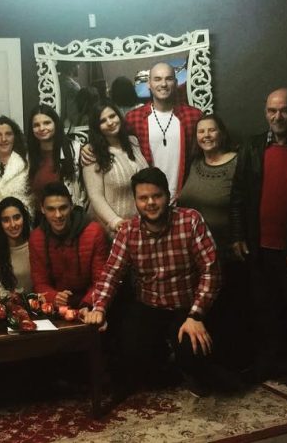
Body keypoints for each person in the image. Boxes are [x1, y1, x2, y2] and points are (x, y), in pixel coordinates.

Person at [84, 167, 221, 397]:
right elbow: (111, 274)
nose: (150, 203)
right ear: (136, 201)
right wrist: (99, 308)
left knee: (194, 350)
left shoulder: (190, 220)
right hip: (149, 306)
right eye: (143, 198)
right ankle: (166, 363)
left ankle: (187, 363)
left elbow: (211, 271)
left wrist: (196, 315)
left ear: (168, 196)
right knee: (132, 357)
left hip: (186, 307)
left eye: (156, 196)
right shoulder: (128, 231)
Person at [229, 88, 287, 383]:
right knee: (265, 310)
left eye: (284, 110)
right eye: (271, 111)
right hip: (258, 246)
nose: (277, 117)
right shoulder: (252, 147)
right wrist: (238, 234)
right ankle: (268, 365)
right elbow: (238, 194)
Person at [178, 113, 247, 371]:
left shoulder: (238, 162)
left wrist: (239, 237)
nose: (206, 135)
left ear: (221, 133)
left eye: (211, 130)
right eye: (201, 131)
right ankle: (205, 365)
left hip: (226, 252)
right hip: (195, 255)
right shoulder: (194, 163)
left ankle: (229, 365)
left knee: (228, 312)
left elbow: (244, 204)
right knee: (204, 312)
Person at [86, 62, 203, 197]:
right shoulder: (134, 118)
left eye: (169, 79)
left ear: (176, 83)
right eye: (157, 79)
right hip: (148, 199)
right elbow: (114, 141)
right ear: (149, 84)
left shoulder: (193, 116)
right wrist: (89, 147)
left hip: (185, 197)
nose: (163, 84)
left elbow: (203, 156)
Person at [29, 182, 107, 309]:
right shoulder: (36, 238)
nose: (58, 215)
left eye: (63, 208)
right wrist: (54, 297)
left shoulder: (94, 232)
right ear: (42, 209)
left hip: (91, 305)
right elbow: (40, 282)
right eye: (51, 209)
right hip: (54, 308)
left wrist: (87, 304)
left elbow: (101, 281)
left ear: (71, 205)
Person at [82, 100, 148, 241]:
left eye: (112, 116)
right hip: (110, 229)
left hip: (137, 225)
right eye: (103, 121)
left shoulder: (133, 142)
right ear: (97, 127)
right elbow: (95, 196)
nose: (110, 122)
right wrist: (115, 221)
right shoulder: (92, 153)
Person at [0, 116, 31, 248]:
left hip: (20, 229)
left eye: (8, 134)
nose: (4, 139)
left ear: (15, 137)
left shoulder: (27, 163)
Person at [27, 104, 86, 209]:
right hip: (38, 216)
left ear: (56, 124)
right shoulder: (28, 156)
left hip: (68, 215)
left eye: (47, 123)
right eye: (36, 125)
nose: (42, 128)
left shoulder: (75, 150)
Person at [0, 196, 33, 299]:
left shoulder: (35, 244)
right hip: (8, 307)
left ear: (24, 218)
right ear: (0, 224)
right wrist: (16, 300)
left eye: (17, 218)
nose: (13, 224)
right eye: (6, 220)